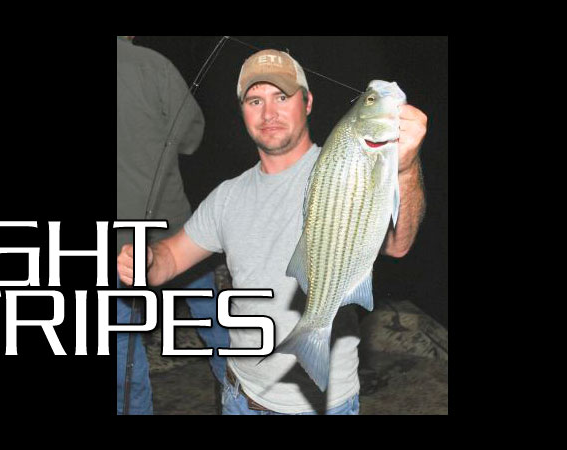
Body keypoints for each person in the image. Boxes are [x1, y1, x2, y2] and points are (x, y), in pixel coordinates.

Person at [117, 49, 428, 415]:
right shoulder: (227, 196)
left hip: (326, 406)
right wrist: (145, 260)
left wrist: (405, 169)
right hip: (239, 398)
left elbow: (399, 243)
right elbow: (168, 260)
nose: (269, 113)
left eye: (282, 96)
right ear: (243, 112)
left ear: (308, 102)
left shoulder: (345, 164)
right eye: (255, 100)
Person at [116, 36, 230, 415]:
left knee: (124, 355)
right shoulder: (154, 66)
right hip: (176, 233)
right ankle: (242, 400)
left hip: (112, 248)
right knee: (217, 329)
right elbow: (192, 139)